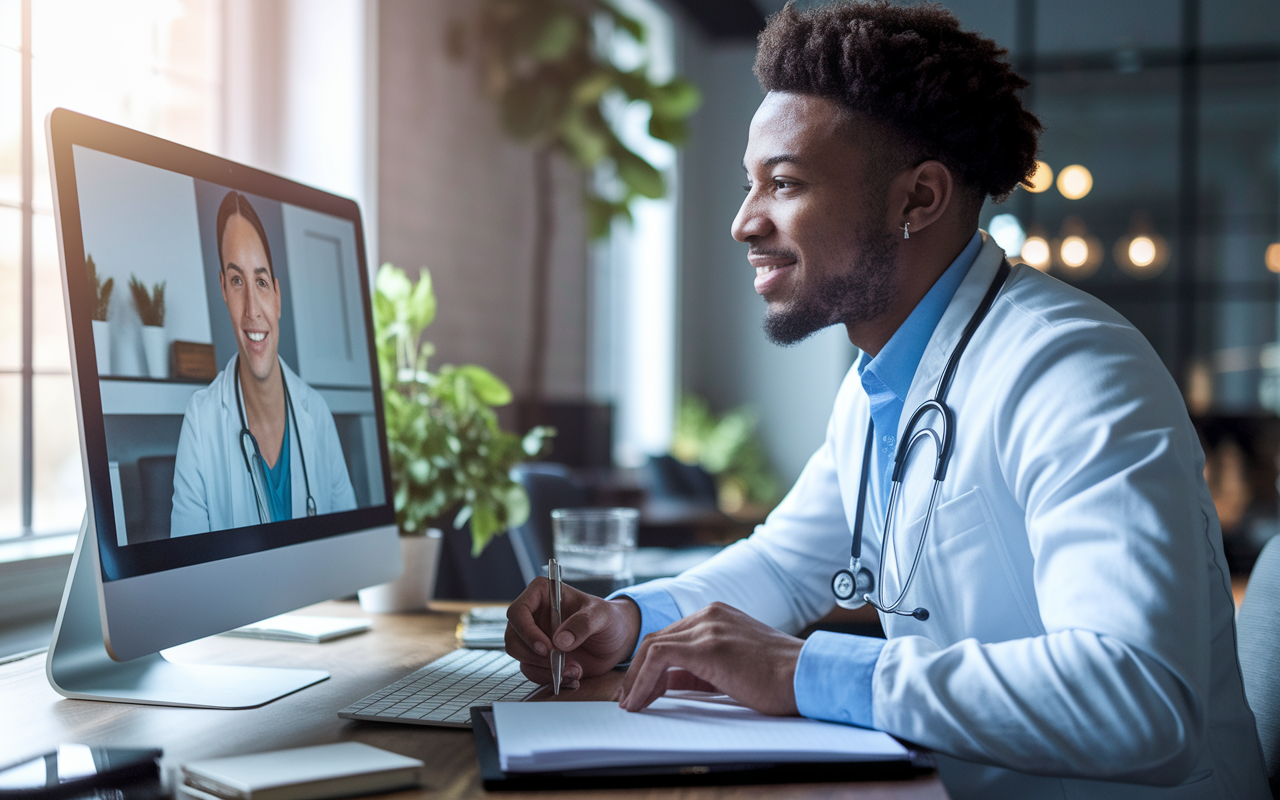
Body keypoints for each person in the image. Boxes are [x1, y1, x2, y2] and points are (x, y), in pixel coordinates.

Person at [504, 3, 1270, 797]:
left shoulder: (1074, 370)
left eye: (786, 183)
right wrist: (627, 624)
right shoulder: (883, 382)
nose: (742, 222)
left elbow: (1140, 698)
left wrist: (808, 670)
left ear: (919, 199)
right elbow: (782, 566)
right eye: (748, 185)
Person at [170, 191, 357, 535]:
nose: (252, 310)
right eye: (238, 281)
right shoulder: (201, 422)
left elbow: (351, 554)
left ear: (277, 296)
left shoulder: (316, 413)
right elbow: (190, 581)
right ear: (224, 291)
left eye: (260, 281)